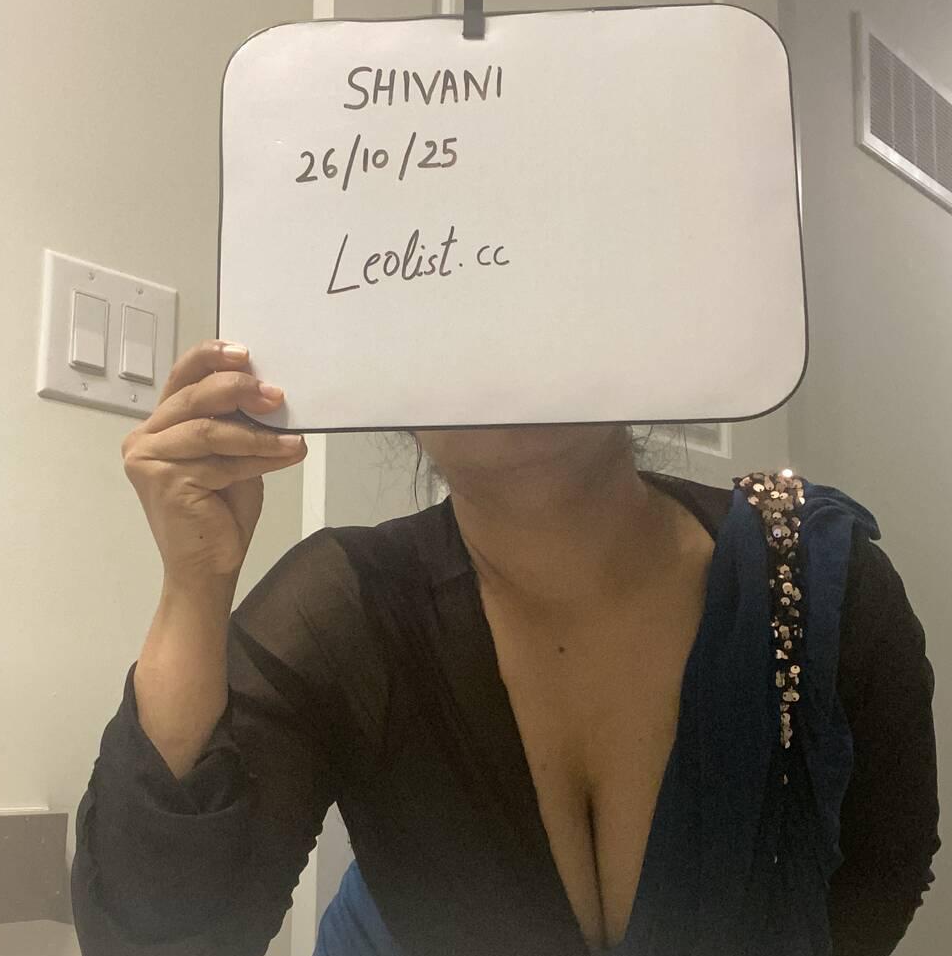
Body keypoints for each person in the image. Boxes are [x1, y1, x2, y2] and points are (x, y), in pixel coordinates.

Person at [71, 339, 940, 956]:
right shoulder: (346, 608)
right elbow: (158, 936)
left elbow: (883, 874)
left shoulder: (821, 583)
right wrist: (192, 587)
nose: (500, 344)